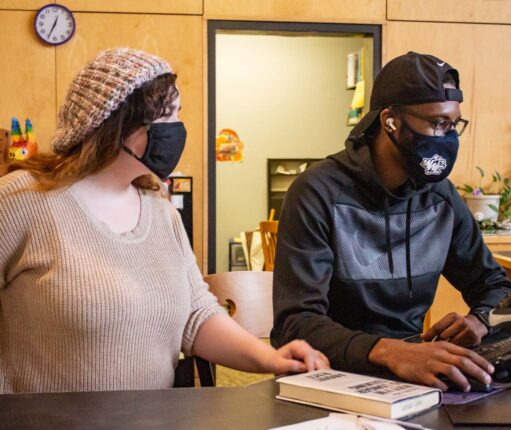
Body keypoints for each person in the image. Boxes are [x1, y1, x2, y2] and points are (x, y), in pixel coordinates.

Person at [0, 48, 327, 394]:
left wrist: (271, 359)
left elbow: (196, 315)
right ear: (116, 123)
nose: (176, 129)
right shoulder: (22, 199)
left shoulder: (160, 209)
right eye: (164, 116)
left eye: (178, 114)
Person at [271, 52, 511, 392]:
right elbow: (295, 324)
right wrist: (389, 352)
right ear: (390, 121)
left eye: (453, 124)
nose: (447, 137)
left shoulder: (440, 197)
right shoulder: (318, 192)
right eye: (436, 123)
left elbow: (495, 285)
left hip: (414, 375)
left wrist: (479, 320)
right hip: (331, 376)